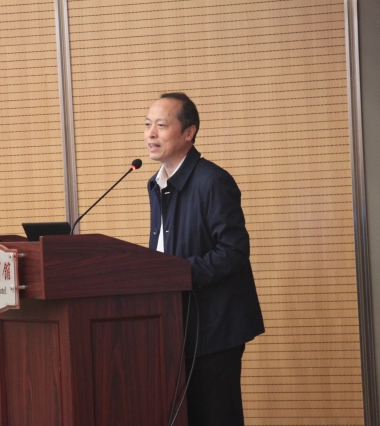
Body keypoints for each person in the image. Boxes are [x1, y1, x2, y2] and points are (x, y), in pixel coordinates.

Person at [145, 92, 265, 426]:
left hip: (214, 327)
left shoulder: (212, 181)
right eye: (148, 124)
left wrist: (177, 274)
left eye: (161, 125)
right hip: (176, 322)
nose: (151, 133)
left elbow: (233, 251)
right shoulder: (157, 184)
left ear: (189, 133)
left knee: (216, 417)